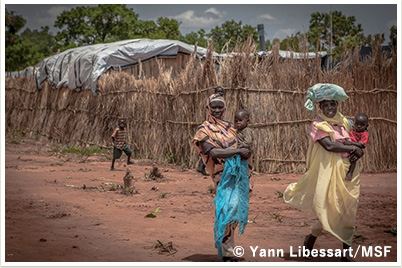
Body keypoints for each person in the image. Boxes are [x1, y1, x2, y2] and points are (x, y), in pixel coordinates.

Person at [283, 83, 364, 262]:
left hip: (349, 171)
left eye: (332, 104)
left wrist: (358, 149)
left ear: (337, 104)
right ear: (320, 107)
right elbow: (329, 146)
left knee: (349, 209)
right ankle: (310, 240)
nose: (329, 108)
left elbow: (356, 140)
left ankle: (345, 253)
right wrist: (352, 148)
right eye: (325, 105)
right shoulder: (317, 125)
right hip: (328, 172)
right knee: (328, 209)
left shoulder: (344, 122)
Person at [193, 93, 252, 262]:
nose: (217, 110)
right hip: (221, 175)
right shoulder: (203, 130)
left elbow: (246, 142)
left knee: (234, 210)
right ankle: (227, 251)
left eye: (220, 107)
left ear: (225, 109)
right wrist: (238, 151)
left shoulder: (232, 127)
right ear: (208, 108)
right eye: (214, 107)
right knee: (228, 208)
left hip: (240, 174)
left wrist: (246, 152)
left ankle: (227, 245)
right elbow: (212, 152)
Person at [196, 86, 225, 176]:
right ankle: (202, 166)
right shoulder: (212, 98)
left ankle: (202, 167)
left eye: (221, 92)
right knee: (209, 148)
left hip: (220, 123)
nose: (220, 93)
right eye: (219, 92)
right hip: (212, 124)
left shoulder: (221, 99)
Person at [344, 113, 369, 181]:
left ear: (366, 126)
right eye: (357, 124)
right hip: (349, 147)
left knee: (353, 160)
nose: (359, 126)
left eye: (362, 125)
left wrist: (351, 143)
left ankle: (350, 173)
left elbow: (362, 145)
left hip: (355, 149)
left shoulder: (364, 134)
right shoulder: (352, 130)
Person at [234, 109, 254, 191]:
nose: (238, 122)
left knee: (243, 169)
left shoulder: (246, 130)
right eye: (236, 121)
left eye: (241, 120)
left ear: (247, 121)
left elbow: (248, 141)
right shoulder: (239, 131)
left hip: (244, 153)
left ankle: (247, 184)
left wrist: (240, 147)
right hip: (240, 153)